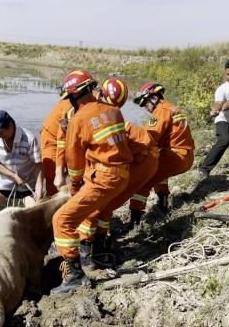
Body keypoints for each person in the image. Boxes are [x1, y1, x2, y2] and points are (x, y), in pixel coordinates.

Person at [51, 70, 133, 294]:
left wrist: (76, 187)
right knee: (95, 211)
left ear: (73, 96)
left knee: (62, 219)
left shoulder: (78, 120)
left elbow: (75, 164)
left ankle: (76, 275)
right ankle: (91, 254)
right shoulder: (113, 111)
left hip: (104, 177)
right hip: (121, 175)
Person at [76, 77, 159, 269]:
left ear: (102, 95)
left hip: (142, 163)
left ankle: (88, 252)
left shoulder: (105, 120)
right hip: (145, 162)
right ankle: (100, 244)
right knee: (105, 205)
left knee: (96, 206)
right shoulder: (114, 118)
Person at [129, 82, 195, 226]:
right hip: (184, 155)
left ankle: (135, 221)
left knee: (143, 180)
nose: (144, 108)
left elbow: (150, 136)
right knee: (158, 171)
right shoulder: (170, 107)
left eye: (145, 103)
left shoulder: (161, 111)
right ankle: (163, 205)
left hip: (175, 156)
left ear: (153, 98)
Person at [0, 110, 43, 221]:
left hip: (27, 186)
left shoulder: (29, 139)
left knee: (35, 216)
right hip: (3, 183)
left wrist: (39, 189)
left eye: (0, 133)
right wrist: (13, 176)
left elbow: (38, 166)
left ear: (10, 126)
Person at [41, 91, 74, 196]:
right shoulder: (69, 105)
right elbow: (61, 140)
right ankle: (52, 201)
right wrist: (59, 171)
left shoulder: (91, 103)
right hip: (52, 140)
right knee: (53, 175)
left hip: (69, 139)